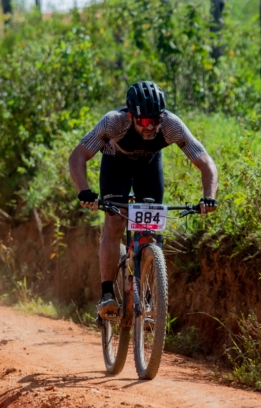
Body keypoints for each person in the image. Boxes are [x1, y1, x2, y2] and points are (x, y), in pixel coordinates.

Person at [68, 81, 218, 325]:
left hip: (148, 169)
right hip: (116, 167)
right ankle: (107, 294)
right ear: (130, 116)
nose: (150, 126)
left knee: (150, 230)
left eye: (155, 120)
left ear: (162, 116)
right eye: (144, 121)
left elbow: (206, 163)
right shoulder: (113, 122)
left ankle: (146, 298)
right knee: (114, 223)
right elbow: (77, 157)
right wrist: (84, 191)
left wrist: (209, 197)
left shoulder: (171, 125)